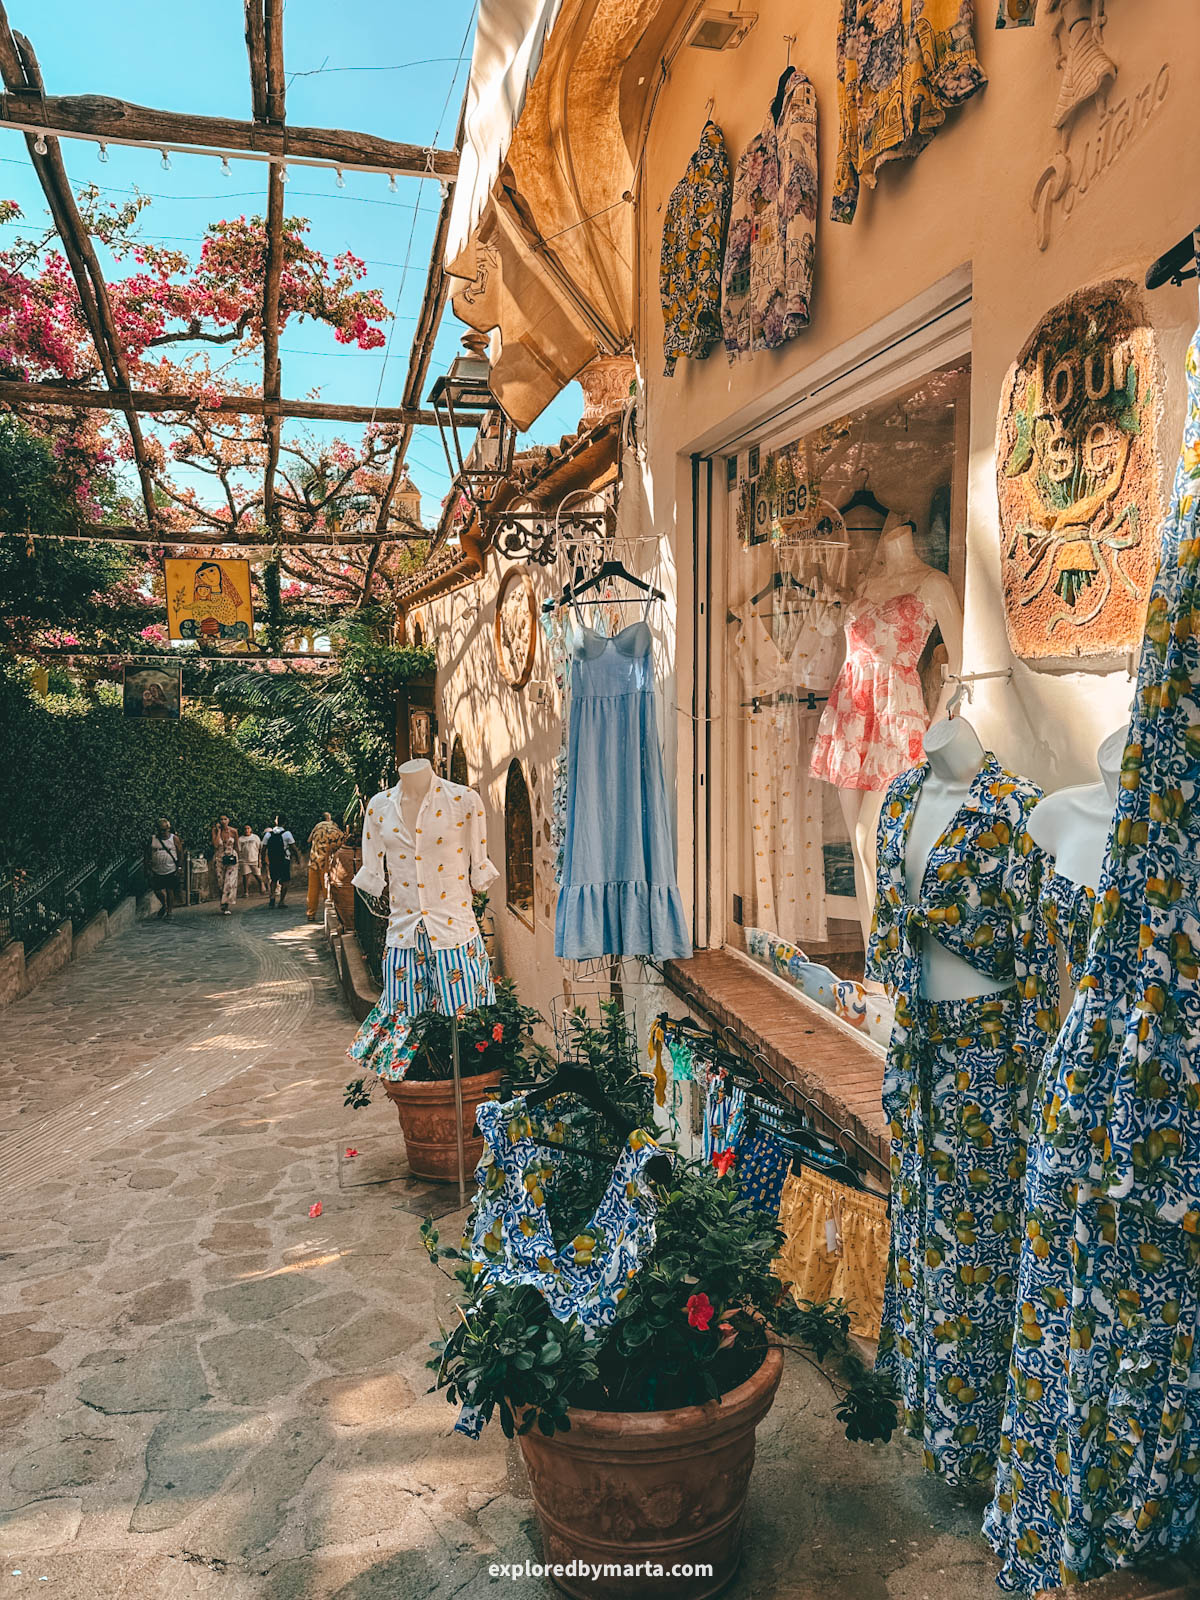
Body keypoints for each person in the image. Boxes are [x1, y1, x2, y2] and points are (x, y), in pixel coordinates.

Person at [305, 811, 345, 922]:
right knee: (327, 890)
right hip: (326, 863)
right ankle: (330, 914)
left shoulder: (318, 826)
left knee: (312, 890)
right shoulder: (337, 831)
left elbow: (309, 840)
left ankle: (310, 914)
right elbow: (343, 845)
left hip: (313, 861)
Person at [146, 818, 183, 920]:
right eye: (160, 830)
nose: (162, 832)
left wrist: (179, 867)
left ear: (168, 829)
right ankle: (164, 904)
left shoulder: (174, 839)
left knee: (169, 890)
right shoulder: (153, 839)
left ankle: (169, 912)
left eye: (164, 830)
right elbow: (147, 854)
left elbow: (180, 852)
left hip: (170, 869)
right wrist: (147, 868)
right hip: (156, 870)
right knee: (157, 890)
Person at [263, 815, 299, 908]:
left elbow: (263, 848)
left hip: (273, 859)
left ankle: (272, 898)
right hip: (284, 859)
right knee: (285, 881)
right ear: (285, 823)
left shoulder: (268, 834)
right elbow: (293, 847)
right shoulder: (287, 834)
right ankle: (281, 901)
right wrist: (297, 858)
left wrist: (263, 859)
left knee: (274, 879)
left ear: (276, 822)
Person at [211, 814, 239, 916]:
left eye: (225, 819)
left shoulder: (233, 831)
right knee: (221, 883)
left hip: (231, 858)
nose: (223, 821)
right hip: (219, 859)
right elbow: (215, 844)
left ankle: (226, 905)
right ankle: (222, 904)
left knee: (229, 882)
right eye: (221, 819)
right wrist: (218, 831)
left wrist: (238, 859)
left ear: (228, 820)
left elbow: (236, 846)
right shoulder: (215, 831)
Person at [238, 823, 264, 897]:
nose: (247, 830)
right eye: (245, 829)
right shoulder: (240, 839)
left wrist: (259, 860)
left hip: (255, 859)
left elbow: (260, 849)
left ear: (251, 829)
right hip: (244, 860)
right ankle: (246, 892)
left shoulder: (255, 837)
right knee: (245, 876)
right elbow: (239, 850)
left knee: (258, 875)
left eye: (248, 828)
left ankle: (262, 886)